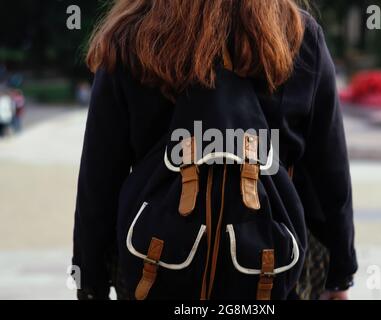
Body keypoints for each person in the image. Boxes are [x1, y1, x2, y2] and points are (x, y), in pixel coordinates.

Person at [73, 0, 357, 300]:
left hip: (155, 271)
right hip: (266, 272)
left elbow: (99, 180)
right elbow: (328, 173)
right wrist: (339, 274)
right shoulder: (297, 35)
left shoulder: (130, 33)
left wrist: (90, 280)